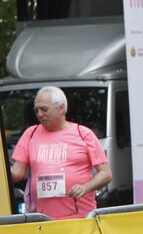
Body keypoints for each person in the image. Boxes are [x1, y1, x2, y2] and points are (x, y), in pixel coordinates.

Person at [10, 86, 111, 220]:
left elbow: (106, 174)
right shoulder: (30, 134)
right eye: (36, 110)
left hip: (80, 218)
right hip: (42, 220)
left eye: (44, 109)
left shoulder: (83, 134)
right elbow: (17, 174)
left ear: (61, 108)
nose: (39, 114)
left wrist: (85, 187)